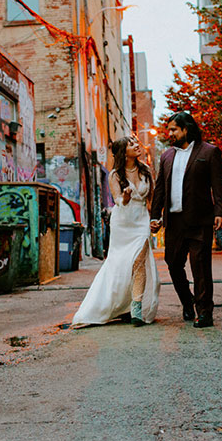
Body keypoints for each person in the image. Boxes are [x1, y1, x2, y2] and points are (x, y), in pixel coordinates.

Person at [72, 136, 160, 327]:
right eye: (131, 144)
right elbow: (118, 200)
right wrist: (126, 196)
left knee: (139, 261)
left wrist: (155, 220)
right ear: (123, 152)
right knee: (120, 265)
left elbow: (151, 200)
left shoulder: (146, 171)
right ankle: (117, 306)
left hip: (141, 221)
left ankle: (136, 308)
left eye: (136, 143)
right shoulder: (114, 175)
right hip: (123, 222)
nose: (136, 146)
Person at [150, 112, 222, 328]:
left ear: (186, 129)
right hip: (174, 221)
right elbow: (159, 190)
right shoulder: (165, 156)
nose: (170, 133)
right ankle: (188, 302)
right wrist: (155, 216)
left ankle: (205, 312)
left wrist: (220, 212)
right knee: (173, 264)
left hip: (200, 219)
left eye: (174, 129)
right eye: (169, 130)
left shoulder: (209, 152)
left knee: (200, 266)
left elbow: (218, 185)